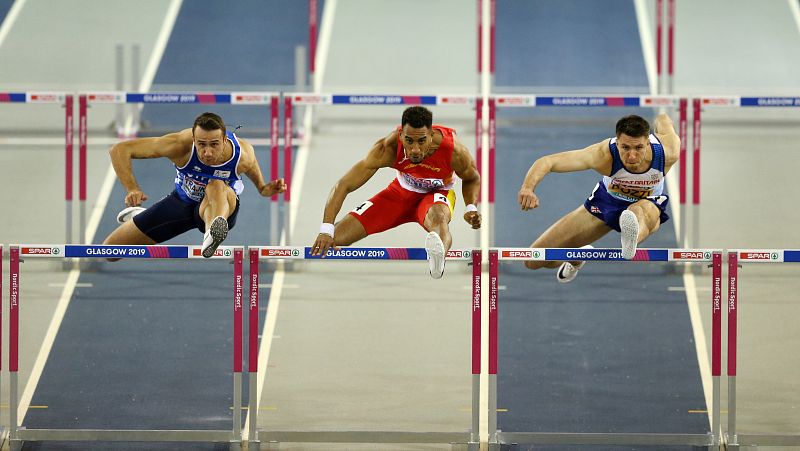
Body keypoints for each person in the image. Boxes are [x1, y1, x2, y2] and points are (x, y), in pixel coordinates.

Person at [311, 106, 482, 279]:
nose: (415, 149)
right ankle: (332, 233)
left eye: (421, 141)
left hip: (436, 195)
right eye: (409, 141)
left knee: (438, 217)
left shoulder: (454, 151)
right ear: (400, 136)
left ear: (431, 136)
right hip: (399, 194)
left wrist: (470, 208)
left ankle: (438, 257)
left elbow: (472, 178)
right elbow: (344, 184)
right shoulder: (387, 149)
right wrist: (326, 229)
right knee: (336, 236)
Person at [517, 113, 679, 282]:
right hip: (606, 202)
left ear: (647, 142)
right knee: (533, 260)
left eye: (638, 148)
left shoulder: (668, 151)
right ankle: (576, 257)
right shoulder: (603, 155)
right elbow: (548, 162)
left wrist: (661, 119)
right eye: (625, 148)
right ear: (617, 144)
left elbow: (663, 120)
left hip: (646, 204)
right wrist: (528, 188)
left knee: (638, 213)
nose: (632, 156)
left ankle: (631, 238)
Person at [104, 112, 287, 258]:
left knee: (215, 185)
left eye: (214, 144)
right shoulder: (179, 145)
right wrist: (132, 188)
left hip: (220, 205)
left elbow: (256, 175)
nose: (207, 152)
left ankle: (212, 234)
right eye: (201, 144)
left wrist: (263, 188)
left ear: (225, 141)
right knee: (109, 251)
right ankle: (145, 214)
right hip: (181, 204)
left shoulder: (242, 156)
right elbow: (119, 150)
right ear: (193, 139)